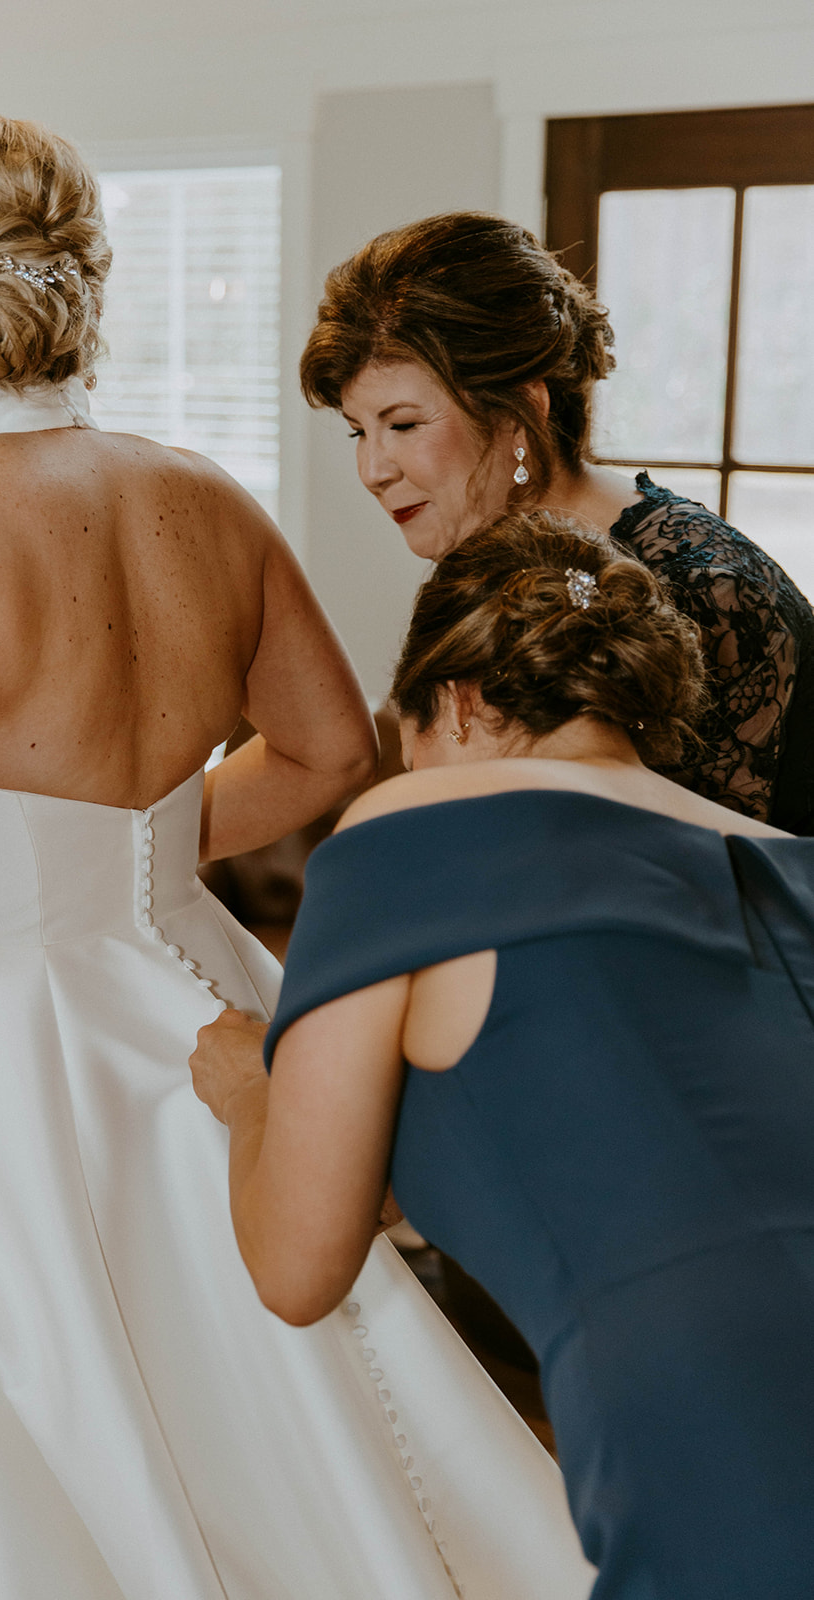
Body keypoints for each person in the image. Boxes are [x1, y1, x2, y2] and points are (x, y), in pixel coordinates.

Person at [0, 116, 595, 1600]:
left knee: (0, 1441)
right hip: (193, 996)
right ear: (83, 291)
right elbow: (335, 752)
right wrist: (121, 862)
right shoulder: (202, 493)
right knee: (254, 1395)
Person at [190, 509, 814, 1600]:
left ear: (461, 702)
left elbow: (297, 1267)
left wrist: (253, 1095)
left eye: (407, 728)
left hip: (724, 1433)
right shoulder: (785, 865)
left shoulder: (409, 826)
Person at [299, 211, 814, 834]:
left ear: (523, 406)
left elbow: (708, 877)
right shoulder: (481, 556)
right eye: (359, 430)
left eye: (403, 424)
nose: (372, 469)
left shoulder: (708, 590)